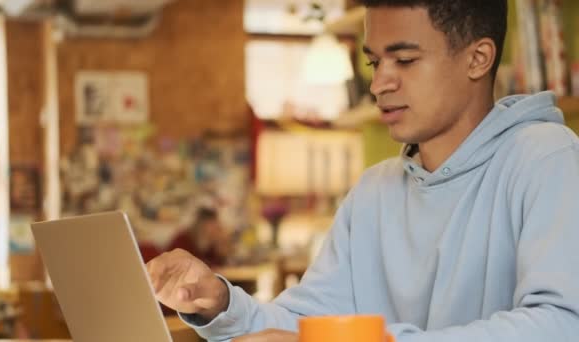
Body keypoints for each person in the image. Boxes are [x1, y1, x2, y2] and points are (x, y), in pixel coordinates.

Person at [146, 0, 579, 341]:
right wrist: (220, 303)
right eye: (374, 62)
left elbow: (562, 327)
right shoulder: (375, 190)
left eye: (404, 60)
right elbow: (305, 323)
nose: (379, 84)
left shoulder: (546, 159)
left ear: (478, 58)